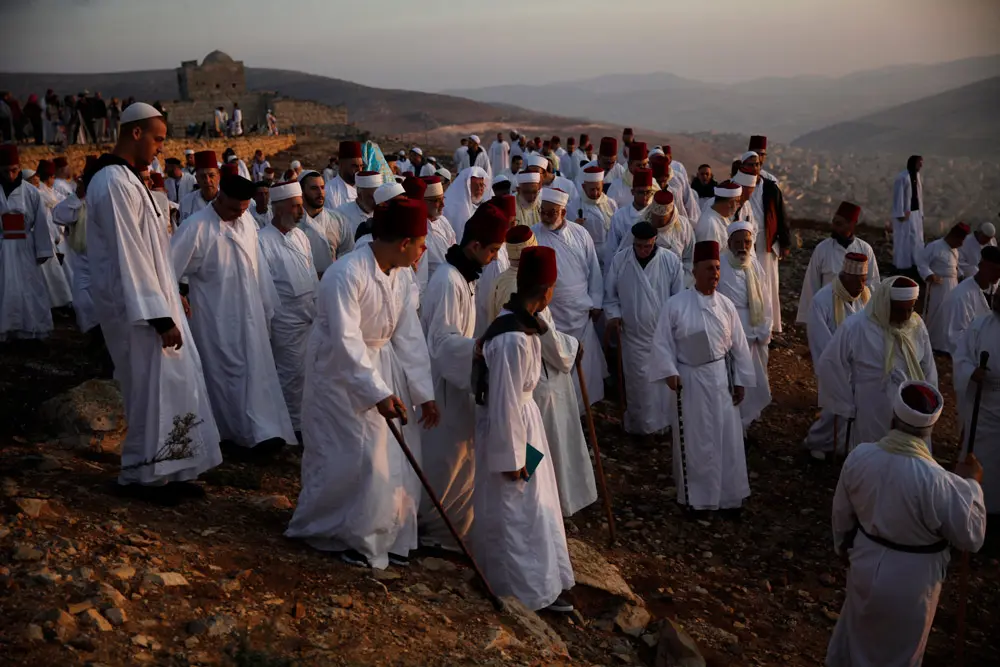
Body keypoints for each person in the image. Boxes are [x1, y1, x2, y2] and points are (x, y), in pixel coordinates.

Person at [286, 198, 439, 570]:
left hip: (383, 370)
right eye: (420, 243)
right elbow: (346, 341)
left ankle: (389, 537)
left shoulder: (400, 276)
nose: (423, 252)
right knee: (358, 457)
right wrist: (376, 393)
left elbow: (409, 336)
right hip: (340, 377)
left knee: (394, 457)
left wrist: (424, 393)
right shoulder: (346, 274)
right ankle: (346, 534)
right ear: (403, 242)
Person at [86, 102, 222, 501]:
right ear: (135, 133)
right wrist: (159, 316)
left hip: (156, 301)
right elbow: (130, 254)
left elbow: (152, 250)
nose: (162, 147)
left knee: (173, 384)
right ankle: (141, 475)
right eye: (158, 138)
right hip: (138, 310)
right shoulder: (112, 182)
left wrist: (172, 297)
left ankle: (172, 468)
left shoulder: (129, 180)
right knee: (148, 389)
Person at [826, 380, 985, 667]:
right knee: (899, 655)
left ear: (892, 418)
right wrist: (972, 484)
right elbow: (972, 536)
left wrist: (843, 549)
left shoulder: (860, 457)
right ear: (930, 429)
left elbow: (841, 514)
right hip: (913, 583)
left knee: (857, 640)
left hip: (864, 562)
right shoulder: (940, 481)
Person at [472, 244, 576, 612]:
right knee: (516, 511)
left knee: (534, 508)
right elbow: (504, 401)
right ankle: (522, 590)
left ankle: (540, 582)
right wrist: (513, 458)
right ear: (547, 290)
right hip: (513, 433)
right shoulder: (514, 338)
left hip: (525, 427)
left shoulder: (520, 324)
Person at [171, 172, 295, 456]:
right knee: (227, 376)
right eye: (232, 208)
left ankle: (263, 431)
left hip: (251, 313)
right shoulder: (196, 227)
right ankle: (232, 435)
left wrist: (267, 306)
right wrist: (178, 292)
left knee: (258, 373)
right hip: (217, 318)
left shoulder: (246, 220)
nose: (238, 214)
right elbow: (169, 269)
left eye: (243, 208)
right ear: (219, 197)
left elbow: (258, 266)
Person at [418, 202, 508, 549]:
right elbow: (441, 341)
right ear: (475, 246)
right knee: (446, 459)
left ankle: (455, 530)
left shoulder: (463, 277)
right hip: (443, 385)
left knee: (461, 459)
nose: (493, 258)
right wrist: (478, 349)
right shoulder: (447, 281)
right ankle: (438, 533)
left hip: (459, 383)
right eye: (493, 251)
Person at [648, 240, 755, 517]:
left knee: (726, 438)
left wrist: (741, 380)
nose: (715, 274)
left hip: (721, 379)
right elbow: (662, 343)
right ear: (695, 271)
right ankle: (697, 499)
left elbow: (739, 347)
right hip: (691, 381)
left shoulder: (727, 305)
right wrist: (670, 372)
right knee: (696, 439)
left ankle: (728, 498)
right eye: (709, 268)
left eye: (718, 268)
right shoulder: (676, 305)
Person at [817, 275, 938, 449]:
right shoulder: (857, 326)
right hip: (871, 402)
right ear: (886, 304)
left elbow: (928, 366)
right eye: (898, 310)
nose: (905, 316)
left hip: (910, 405)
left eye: (909, 309)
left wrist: (928, 402)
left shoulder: (916, 326)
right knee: (872, 448)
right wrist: (846, 404)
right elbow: (831, 363)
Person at [604, 220, 685, 435]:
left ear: (655, 242)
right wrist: (614, 316)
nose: (642, 250)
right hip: (633, 336)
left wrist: (674, 327)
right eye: (638, 246)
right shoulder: (620, 261)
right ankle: (640, 427)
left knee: (662, 383)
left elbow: (678, 298)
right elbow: (610, 297)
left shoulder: (670, 261)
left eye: (647, 246)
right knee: (639, 385)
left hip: (663, 336)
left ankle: (664, 426)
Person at [532, 186, 606, 411]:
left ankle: (582, 409)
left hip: (580, 311)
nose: (545, 217)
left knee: (584, 364)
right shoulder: (534, 234)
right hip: (551, 313)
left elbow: (594, 269)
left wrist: (596, 302)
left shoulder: (580, 234)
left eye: (551, 213)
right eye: (543, 211)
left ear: (563, 212)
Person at [258, 181, 318, 440]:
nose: (300, 211)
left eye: (300, 205)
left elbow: (311, 273)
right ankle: (292, 428)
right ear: (278, 208)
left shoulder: (301, 236)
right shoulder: (262, 241)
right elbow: (263, 286)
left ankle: (308, 421)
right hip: (284, 319)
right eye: (294, 206)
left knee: (311, 373)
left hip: (310, 315)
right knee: (290, 374)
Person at [803, 253, 872, 460]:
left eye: (865, 279)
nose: (862, 285)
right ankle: (817, 442)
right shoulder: (822, 300)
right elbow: (820, 339)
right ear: (845, 276)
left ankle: (847, 445)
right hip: (835, 363)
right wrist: (839, 363)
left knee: (856, 409)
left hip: (860, 364)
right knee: (834, 409)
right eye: (859, 280)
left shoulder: (866, 297)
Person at [717, 221, 773, 433]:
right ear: (729, 242)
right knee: (732, 377)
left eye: (747, 242)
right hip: (730, 332)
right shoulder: (721, 264)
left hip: (755, 329)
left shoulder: (754, 265)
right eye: (738, 242)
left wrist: (764, 328)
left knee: (754, 377)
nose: (743, 246)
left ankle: (747, 422)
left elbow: (766, 300)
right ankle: (733, 425)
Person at [953, 285, 1000, 519]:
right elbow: (961, 356)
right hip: (984, 404)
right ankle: (974, 506)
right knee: (979, 455)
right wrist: (972, 372)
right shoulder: (980, 325)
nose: (997, 301)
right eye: (997, 296)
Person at [0, 144, 55, 342]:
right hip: (2, 247)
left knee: (29, 287)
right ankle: (6, 330)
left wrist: (42, 250)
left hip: (25, 246)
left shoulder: (31, 193)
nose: (11, 176)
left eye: (14, 170)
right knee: (5, 286)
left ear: (19, 168)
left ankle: (31, 328)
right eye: (6, 171)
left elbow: (40, 222)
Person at [795, 202, 880, 324]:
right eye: (834, 222)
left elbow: (873, 283)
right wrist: (807, 318)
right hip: (828, 312)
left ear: (852, 225)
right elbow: (811, 284)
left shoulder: (865, 249)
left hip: (857, 313)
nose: (834, 227)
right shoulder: (822, 249)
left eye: (839, 224)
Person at [741, 145, 790, 335]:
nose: (754, 167)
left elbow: (781, 214)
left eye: (756, 164)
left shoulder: (771, 188)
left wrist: (785, 242)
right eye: (750, 164)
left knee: (768, 281)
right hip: (745, 242)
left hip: (766, 241)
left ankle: (770, 325)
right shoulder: (739, 186)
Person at [614, 190, 695, 284]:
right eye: (654, 217)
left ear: (670, 216)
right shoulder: (641, 224)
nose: (656, 223)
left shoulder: (683, 227)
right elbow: (622, 258)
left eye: (661, 220)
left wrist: (681, 283)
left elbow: (690, 258)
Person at [916, 222, 970, 353]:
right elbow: (921, 262)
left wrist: (961, 276)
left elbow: (955, 268)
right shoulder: (935, 246)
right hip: (938, 287)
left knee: (950, 314)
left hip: (953, 285)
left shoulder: (955, 251)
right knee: (936, 313)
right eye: (960, 241)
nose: (961, 245)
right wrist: (929, 275)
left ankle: (945, 344)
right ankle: (932, 343)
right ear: (953, 236)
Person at [942, 246, 1000, 354]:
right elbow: (955, 339)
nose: (998, 275)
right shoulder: (960, 297)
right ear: (981, 266)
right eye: (994, 270)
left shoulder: (995, 286)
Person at [298, 170, 353, 275]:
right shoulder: (294, 224)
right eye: (314, 188)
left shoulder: (338, 220)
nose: (320, 193)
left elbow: (348, 253)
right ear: (302, 191)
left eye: (322, 187)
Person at [605, 167, 654, 268]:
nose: (645, 196)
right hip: (624, 266)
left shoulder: (654, 215)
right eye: (641, 192)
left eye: (648, 192)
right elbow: (612, 248)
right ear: (633, 192)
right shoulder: (620, 216)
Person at [574, 166, 618, 273]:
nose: (595, 193)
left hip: (609, 251)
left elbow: (616, 229)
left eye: (598, 189)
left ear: (602, 185)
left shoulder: (610, 203)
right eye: (592, 189)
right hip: (587, 252)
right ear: (584, 187)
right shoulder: (575, 205)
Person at [412, 175, 454, 280]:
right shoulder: (415, 229)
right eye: (436, 200)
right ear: (422, 201)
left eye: (442, 198)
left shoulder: (443, 221)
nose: (443, 204)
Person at [891, 155, 925, 278]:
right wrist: (900, 213)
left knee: (916, 240)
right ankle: (902, 266)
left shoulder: (917, 176)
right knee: (903, 241)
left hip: (915, 213)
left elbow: (918, 196)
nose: (921, 165)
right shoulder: (902, 177)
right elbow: (898, 197)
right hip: (905, 214)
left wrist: (921, 212)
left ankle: (915, 263)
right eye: (919, 163)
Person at [442, 166, 491, 242]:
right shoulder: (450, 209)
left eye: (481, 185)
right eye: (475, 185)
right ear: (466, 187)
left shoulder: (487, 208)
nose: (479, 189)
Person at [333, 171, 381, 242]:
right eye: (373, 197)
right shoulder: (341, 214)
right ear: (359, 194)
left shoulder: (384, 213)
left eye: (379, 196)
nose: (377, 201)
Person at [694, 181, 742, 246]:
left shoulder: (722, 217)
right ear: (730, 203)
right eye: (737, 201)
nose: (738, 205)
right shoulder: (709, 225)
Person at [607, 141, 650, 210]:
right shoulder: (617, 186)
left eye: (644, 165)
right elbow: (609, 213)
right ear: (629, 164)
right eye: (638, 165)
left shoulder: (653, 184)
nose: (642, 168)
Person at [178, 151, 219, 223]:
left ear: (218, 176)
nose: (207, 180)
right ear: (197, 179)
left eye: (211, 176)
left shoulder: (228, 202)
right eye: (203, 177)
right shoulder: (186, 203)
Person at [324, 141, 363, 210]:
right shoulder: (329, 190)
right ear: (342, 164)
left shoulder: (365, 189)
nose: (359, 170)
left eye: (361, 166)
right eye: (354, 166)